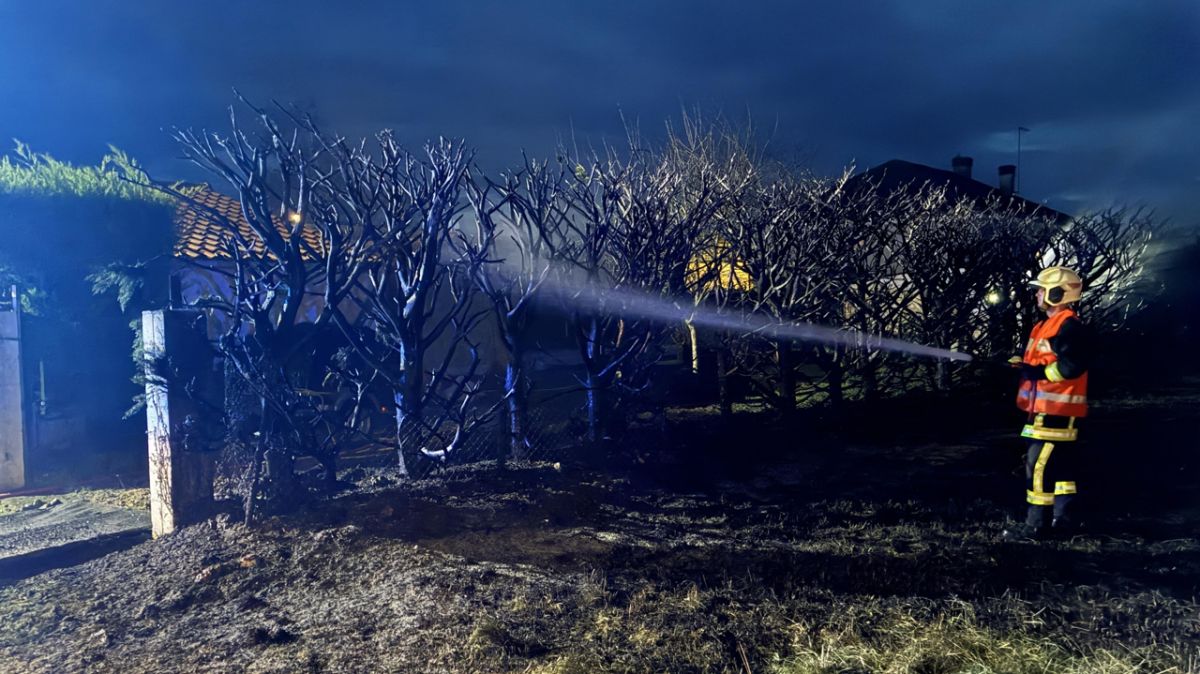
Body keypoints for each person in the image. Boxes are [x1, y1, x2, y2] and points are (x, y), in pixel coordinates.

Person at [1003, 266, 1092, 540]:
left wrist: (1037, 373)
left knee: (1038, 467)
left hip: (1054, 411)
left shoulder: (1068, 326)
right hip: (1048, 410)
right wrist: (1024, 366)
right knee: (1062, 469)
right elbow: (1046, 362)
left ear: (1057, 293)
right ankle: (1064, 521)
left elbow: (1072, 366)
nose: (1038, 295)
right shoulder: (1046, 325)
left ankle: (1035, 526)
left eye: (1042, 290)